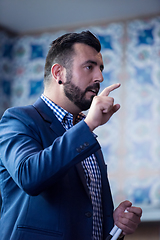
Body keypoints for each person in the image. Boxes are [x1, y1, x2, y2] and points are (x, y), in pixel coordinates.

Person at [0, 31, 142, 240]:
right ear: (59, 73)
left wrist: (115, 225)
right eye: (89, 67)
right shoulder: (18, 119)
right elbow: (29, 176)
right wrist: (89, 124)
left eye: (100, 68)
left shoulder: (85, 134)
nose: (99, 77)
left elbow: (83, 216)